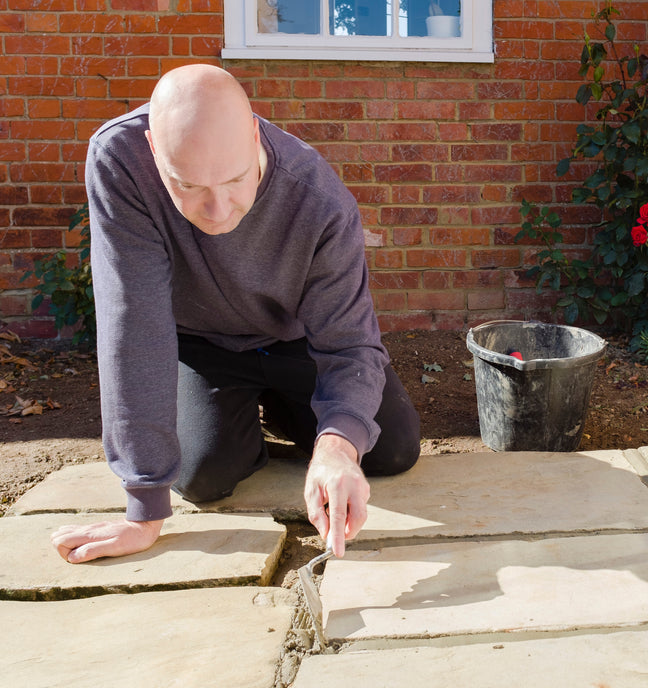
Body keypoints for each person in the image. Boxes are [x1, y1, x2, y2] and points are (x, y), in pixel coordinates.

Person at [51, 64, 420, 564]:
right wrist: (143, 507)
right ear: (155, 152)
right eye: (188, 186)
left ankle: (297, 424)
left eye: (234, 179)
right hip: (200, 344)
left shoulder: (319, 200)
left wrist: (337, 447)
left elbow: (349, 343)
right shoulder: (122, 160)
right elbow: (134, 322)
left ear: (254, 135)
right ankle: (241, 426)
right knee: (202, 473)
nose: (218, 209)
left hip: (295, 341)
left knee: (390, 447)